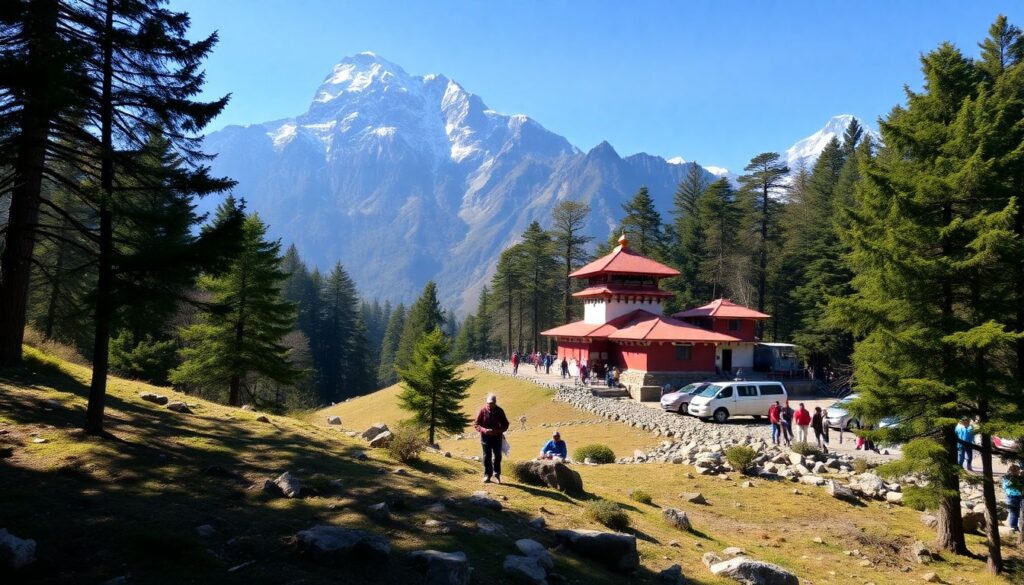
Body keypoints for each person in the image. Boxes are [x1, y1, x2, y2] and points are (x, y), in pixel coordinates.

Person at [474, 393, 510, 483]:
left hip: (497, 437)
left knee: (498, 455)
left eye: (492, 403)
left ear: (495, 403)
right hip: (485, 437)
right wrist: (484, 430)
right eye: (488, 403)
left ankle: (497, 474)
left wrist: (498, 431)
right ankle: (487, 475)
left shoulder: (500, 411)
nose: (490, 405)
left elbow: (506, 424)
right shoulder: (482, 410)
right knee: (487, 455)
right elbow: (476, 424)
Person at [1004, 464, 1021, 533]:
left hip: (1018, 496)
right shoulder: (1008, 478)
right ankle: (1013, 526)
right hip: (1012, 497)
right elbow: (1009, 486)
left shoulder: (1017, 477)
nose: (1019, 472)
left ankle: (1015, 526)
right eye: (1018, 471)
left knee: (1016, 512)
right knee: (1014, 512)